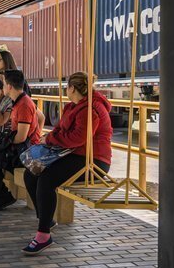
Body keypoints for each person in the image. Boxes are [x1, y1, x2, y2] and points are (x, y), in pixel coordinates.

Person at [21, 72, 112, 255]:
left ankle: (43, 235)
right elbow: (62, 130)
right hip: (73, 155)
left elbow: (78, 138)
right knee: (31, 173)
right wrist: (52, 138)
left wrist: (50, 139)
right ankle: (46, 219)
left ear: (72, 88)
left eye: (67, 87)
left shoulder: (91, 109)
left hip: (92, 161)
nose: (66, 90)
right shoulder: (74, 106)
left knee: (47, 179)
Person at [0, 69, 40, 211]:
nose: (3, 86)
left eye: (4, 83)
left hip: (25, 151)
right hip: (19, 146)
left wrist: (4, 143)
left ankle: (2, 196)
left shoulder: (24, 104)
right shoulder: (18, 101)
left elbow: (21, 137)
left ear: (9, 86)